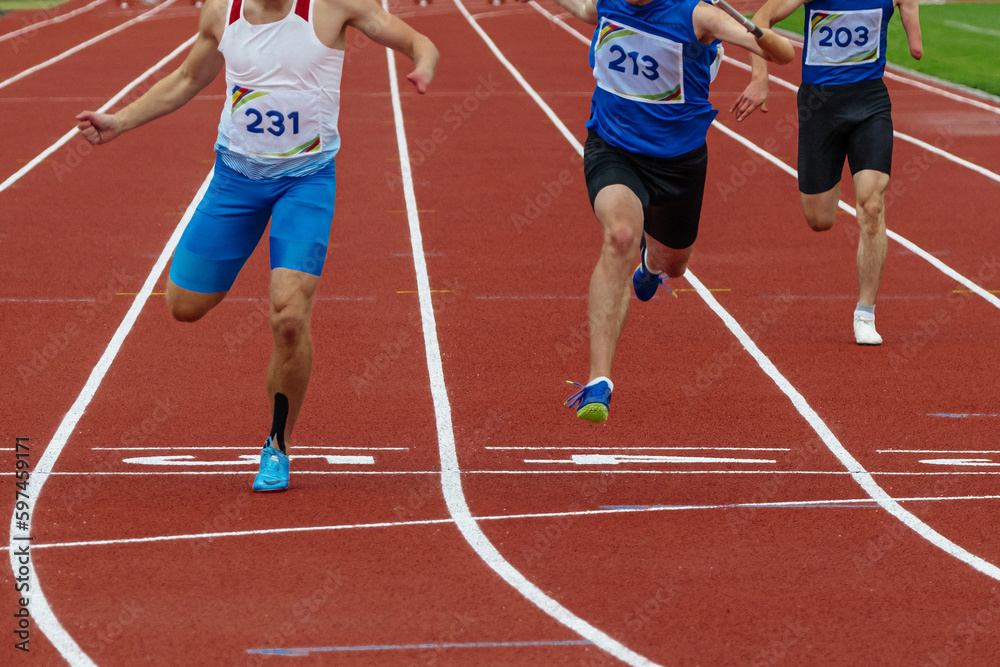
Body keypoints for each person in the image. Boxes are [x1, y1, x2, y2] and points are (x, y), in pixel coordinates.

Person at [76, 0, 438, 490]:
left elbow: (417, 39)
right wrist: (120, 121)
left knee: (289, 317)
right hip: (235, 179)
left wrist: (424, 64)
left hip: (306, 181)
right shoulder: (220, 13)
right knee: (184, 306)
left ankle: (277, 445)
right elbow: (186, 79)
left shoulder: (332, 7)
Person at [533, 0, 794, 422]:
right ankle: (599, 380)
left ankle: (650, 268)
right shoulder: (606, 4)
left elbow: (783, 55)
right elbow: (580, 9)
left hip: (678, 162)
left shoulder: (698, 16)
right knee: (619, 236)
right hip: (613, 147)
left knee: (674, 264)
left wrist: (758, 35)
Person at [732, 0, 922, 345]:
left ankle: (865, 313)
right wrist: (760, 78)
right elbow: (760, 18)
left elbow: (911, 21)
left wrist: (912, 26)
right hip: (819, 106)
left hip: (870, 102)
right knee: (819, 218)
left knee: (872, 205)